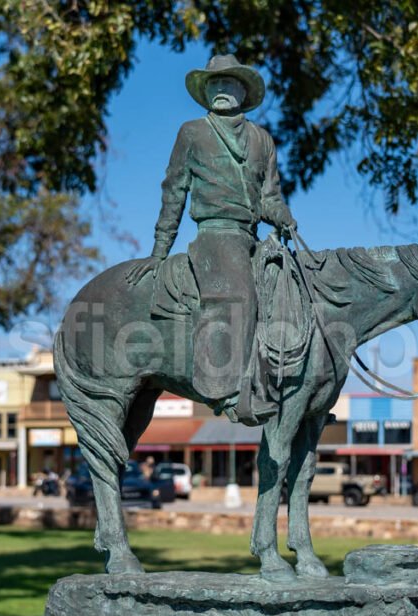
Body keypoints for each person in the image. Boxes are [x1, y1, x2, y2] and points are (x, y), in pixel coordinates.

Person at [126, 54, 297, 425]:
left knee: (292, 288)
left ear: (242, 89)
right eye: (214, 83)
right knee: (240, 292)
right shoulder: (192, 133)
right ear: (206, 91)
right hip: (215, 235)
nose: (220, 89)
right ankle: (231, 390)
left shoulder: (261, 140)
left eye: (228, 82)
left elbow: (269, 196)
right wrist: (159, 251)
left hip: (251, 235)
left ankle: (294, 386)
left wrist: (281, 213)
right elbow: (174, 191)